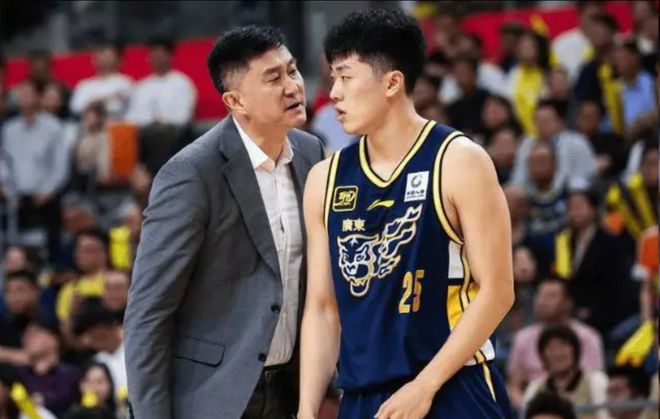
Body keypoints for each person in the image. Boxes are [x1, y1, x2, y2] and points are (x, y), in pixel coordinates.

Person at [298, 9, 514, 419]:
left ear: (392, 82)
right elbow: (323, 308)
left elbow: (498, 291)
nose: (334, 92)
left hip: (452, 385)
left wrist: (426, 385)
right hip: (362, 396)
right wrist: (307, 410)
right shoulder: (324, 179)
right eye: (332, 77)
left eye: (345, 76)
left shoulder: (459, 160)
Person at [123, 25, 324, 419]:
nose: (293, 86)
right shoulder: (190, 173)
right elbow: (148, 312)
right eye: (273, 78)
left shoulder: (310, 151)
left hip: (292, 391)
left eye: (293, 70)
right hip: (212, 398)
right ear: (235, 100)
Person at [507, 278, 605, 409]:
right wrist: (527, 409)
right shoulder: (522, 338)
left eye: (551, 296)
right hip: (535, 405)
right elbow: (514, 386)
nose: (542, 301)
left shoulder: (588, 337)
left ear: (567, 303)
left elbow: (592, 381)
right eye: (539, 295)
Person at [521, 325, 609, 419]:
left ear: (575, 351)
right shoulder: (534, 389)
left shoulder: (596, 382)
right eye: (552, 348)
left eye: (563, 346)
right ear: (542, 355)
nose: (558, 353)